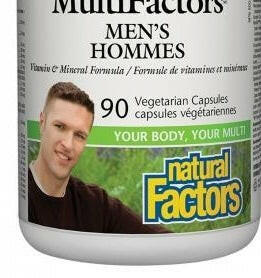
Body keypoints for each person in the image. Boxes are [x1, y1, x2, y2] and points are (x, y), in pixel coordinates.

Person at [29, 82, 169, 233]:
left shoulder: (94, 204)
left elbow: (161, 237)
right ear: (42, 123)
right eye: (60, 127)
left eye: (79, 135)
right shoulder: (21, 194)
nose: (68, 145)